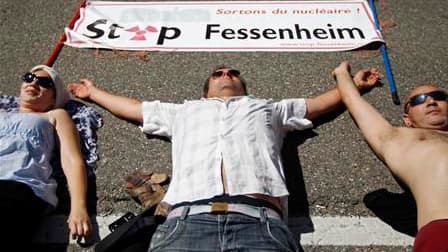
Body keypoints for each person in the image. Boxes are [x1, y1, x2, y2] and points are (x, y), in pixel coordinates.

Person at [68, 64, 379, 251]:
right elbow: (136, 109)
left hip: (259, 224)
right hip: (186, 224)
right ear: (206, 91)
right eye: (219, 73)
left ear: (243, 87)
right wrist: (93, 92)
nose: (227, 74)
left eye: (233, 73)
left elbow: (315, 105)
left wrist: (352, 85)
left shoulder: (268, 108)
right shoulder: (184, 111)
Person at [333, 61, 448, 252]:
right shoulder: (400, 139)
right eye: (419, 100)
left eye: (439, 96)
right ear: (407, 119)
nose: (431, 101)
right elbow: (355, 103)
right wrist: (342, 73)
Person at [0, 65, 92, 245]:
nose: (33, 82)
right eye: (28, 77)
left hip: (18, 186)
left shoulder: (55, 115)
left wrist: (78, 206)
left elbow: (72, 160)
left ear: (53, 98)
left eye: (44, 82)